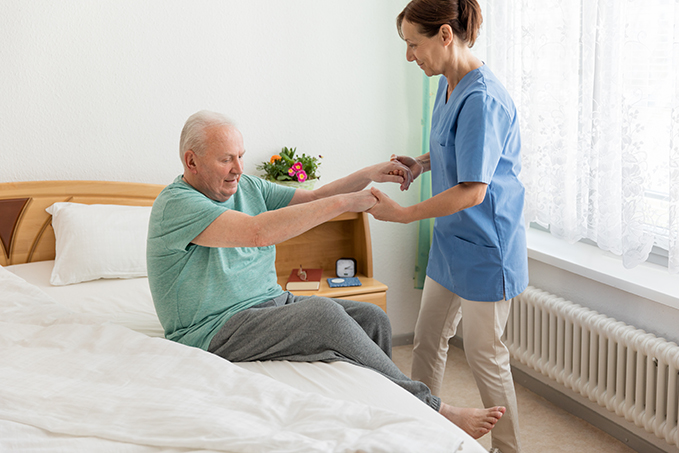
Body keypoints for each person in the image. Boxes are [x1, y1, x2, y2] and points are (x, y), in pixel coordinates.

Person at [146, 110, 505, 439]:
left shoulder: (247, 187)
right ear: (191, 161)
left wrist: (368, 175)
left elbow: (313, 197)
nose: (238, 167)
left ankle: (386, 415)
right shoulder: (177, 205)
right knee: (324, 315)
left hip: (268, 305)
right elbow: (259, 232)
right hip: (213, 328)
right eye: (226, 159)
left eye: (240, 156)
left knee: (372, 318)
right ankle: (431, 408)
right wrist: (346, 204)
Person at [367, 2, 529, 452]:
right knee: (427, 341)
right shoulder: (448, 84)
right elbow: (451, 150)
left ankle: (509, 448)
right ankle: (422, 430)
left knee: (485, 355)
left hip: (485, 245)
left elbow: (473, 191)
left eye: (412, 44)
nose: (408, 56)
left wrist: (401, 215)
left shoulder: (483, 98)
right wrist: (420, 164)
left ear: (443, 35)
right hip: (450, 240)